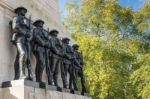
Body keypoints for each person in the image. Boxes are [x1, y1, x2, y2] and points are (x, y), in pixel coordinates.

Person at [11, 7, 33, 80]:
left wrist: (29, 35)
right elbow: (15, 26)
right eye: (23, 10)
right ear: (19, 11)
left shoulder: (26, 21)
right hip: (19, 38)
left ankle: (18, 75)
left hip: (26, 40)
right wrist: (25, 33)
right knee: (23, 53)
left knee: (24, 57)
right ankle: (21, 74)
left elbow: (29, 31)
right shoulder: (16, 18)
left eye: (25, 10)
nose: (24, 11)